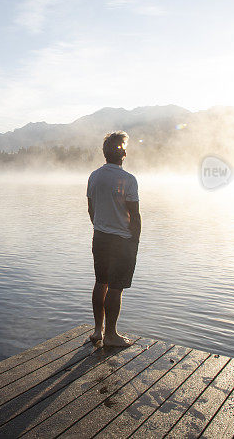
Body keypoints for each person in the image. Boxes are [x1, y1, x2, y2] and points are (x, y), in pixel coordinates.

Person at [86, 131, 141, 347]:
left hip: (100, 237)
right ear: (123, 153)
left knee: (101, 282)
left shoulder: (94, 176)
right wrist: (134, 239)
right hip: (122, 240)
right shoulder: (128, 179)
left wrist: (100, 227)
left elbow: (91, 208)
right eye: (124, 147)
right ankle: (111, 335)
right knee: (116, 287)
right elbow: (134, 214)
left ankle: (97, 331)